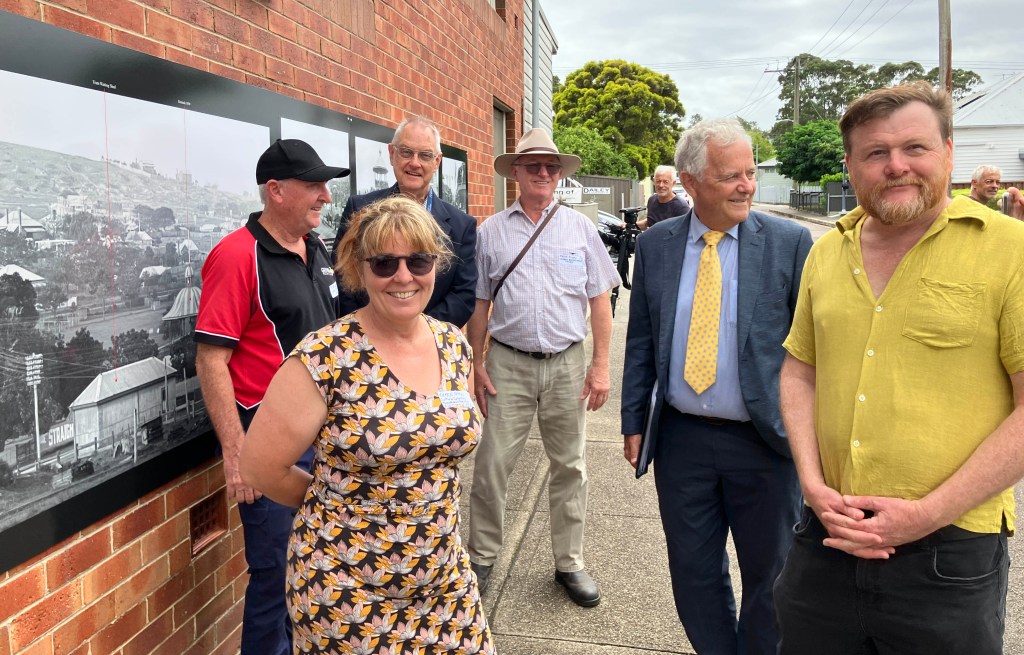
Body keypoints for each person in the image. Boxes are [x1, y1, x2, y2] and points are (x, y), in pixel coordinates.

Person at [775, 82, 1024, 654]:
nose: (896, 167)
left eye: (915, 148)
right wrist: (812, 486)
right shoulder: (827, 251)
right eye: (875, 153)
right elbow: (799, 372)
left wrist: (926, 513)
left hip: (949, 551)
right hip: (825, 541)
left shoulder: (1008, 250)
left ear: (948, 153)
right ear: (850, 165)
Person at [239, 195, 494, 654]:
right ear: (359, 269)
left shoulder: (454, 345)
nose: (403, 276)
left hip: (445, 581)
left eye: (418, 260)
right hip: (346, 590)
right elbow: (260, 468)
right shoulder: (324, 356)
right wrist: (342, 509)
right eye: (384, 263)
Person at [620, 118, 812, 655]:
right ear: (691, 182)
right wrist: (633, 420)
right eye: (732, 176)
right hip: (682, 442)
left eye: (750, 173)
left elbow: (813, 351)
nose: (747, 185)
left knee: (771, 577)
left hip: (765, 442)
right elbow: (642, 341)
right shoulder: (656, 245)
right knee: (693, 571)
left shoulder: (790, 243)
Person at [194, 138, 348, 655]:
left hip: (324, 440)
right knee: (274, 581)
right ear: (275, 190)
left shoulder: (316, 248)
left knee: (310, 571)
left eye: (325, 185)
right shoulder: (236, 257)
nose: (325, 196)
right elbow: (211, 360)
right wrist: (238, 458)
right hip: (271, 446)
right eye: (313, 185)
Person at [467, 128, 621, 607]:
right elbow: (479, 305)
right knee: (492, 464)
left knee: (570, 466)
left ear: (559, 175)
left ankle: (569, 563)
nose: (542, 173)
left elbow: (600, 302)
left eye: (551, 166)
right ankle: (482, 557)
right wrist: (476, 362)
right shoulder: (491, 231)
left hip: (567, 365)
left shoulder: (580, 229)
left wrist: (600, 366)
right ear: (515, 172)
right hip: (509, 363)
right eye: (532, 165)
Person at [331, 115, 477, 326]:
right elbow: (343, 277)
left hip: (428, 347)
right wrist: (369, 330)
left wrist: (416, 332)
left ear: (437, 162)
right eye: (406, 152)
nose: (414, 163)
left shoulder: (462, 226)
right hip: (365, 343)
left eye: (425, 155)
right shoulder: (360, 210)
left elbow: (462, 297)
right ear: (392, 154)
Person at [640, 164, 690, 230]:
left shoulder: (681, 207)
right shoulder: (652, 200)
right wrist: (627, 225)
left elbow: (686, 233)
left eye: (665, 182)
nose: (661, 185)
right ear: (654, 181)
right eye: (658, 181)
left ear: (674, 183)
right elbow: (649, 222)